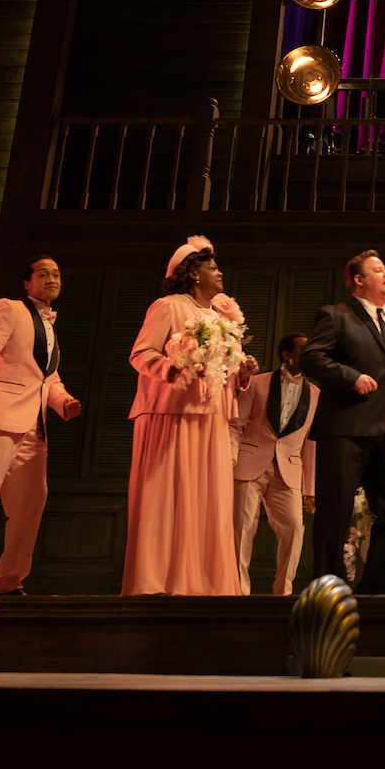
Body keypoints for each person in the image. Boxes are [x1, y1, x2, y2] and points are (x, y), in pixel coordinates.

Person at [126, 236, 257, 596]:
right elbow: (141, 354)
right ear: (194, 274)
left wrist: (241, 375)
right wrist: (173, 371)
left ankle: (204, 581)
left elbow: (222, 371)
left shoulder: (219, 317)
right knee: (169, 494)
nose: (219, 272)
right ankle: (158, 580)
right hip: (172, 414)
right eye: (212, 266)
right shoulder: (168, 307)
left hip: (211, 417)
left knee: (207, 501)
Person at [302, 250, 385, 593]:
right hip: (346, 426)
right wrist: (350, 377)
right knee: (336, 511)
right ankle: (328, 585)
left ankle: (373, 588)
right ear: (358, 281)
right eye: (377, 270)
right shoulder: (337, 316)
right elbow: (312, 358)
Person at [0, 255, 82, 595]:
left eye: (56, 274)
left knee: (31, 502)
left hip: (34, 426)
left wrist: (62, 400)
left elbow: (46, 377)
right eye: (43, 274)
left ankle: (10, 580)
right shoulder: (9, 308)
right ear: (28, 282)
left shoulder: (50, 325)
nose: (51, 278)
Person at [232, 333, 317, 594]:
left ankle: (283, 591)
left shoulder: (315, 394)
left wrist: (310, 489)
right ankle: (238, 592)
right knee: (242, 529)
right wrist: (230, 458)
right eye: (303, 349)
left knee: (294, 527)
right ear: (287, 354)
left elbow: (311, 443)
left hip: (288, 470)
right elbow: (235, 424)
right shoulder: (257, 383)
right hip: (249, 464)